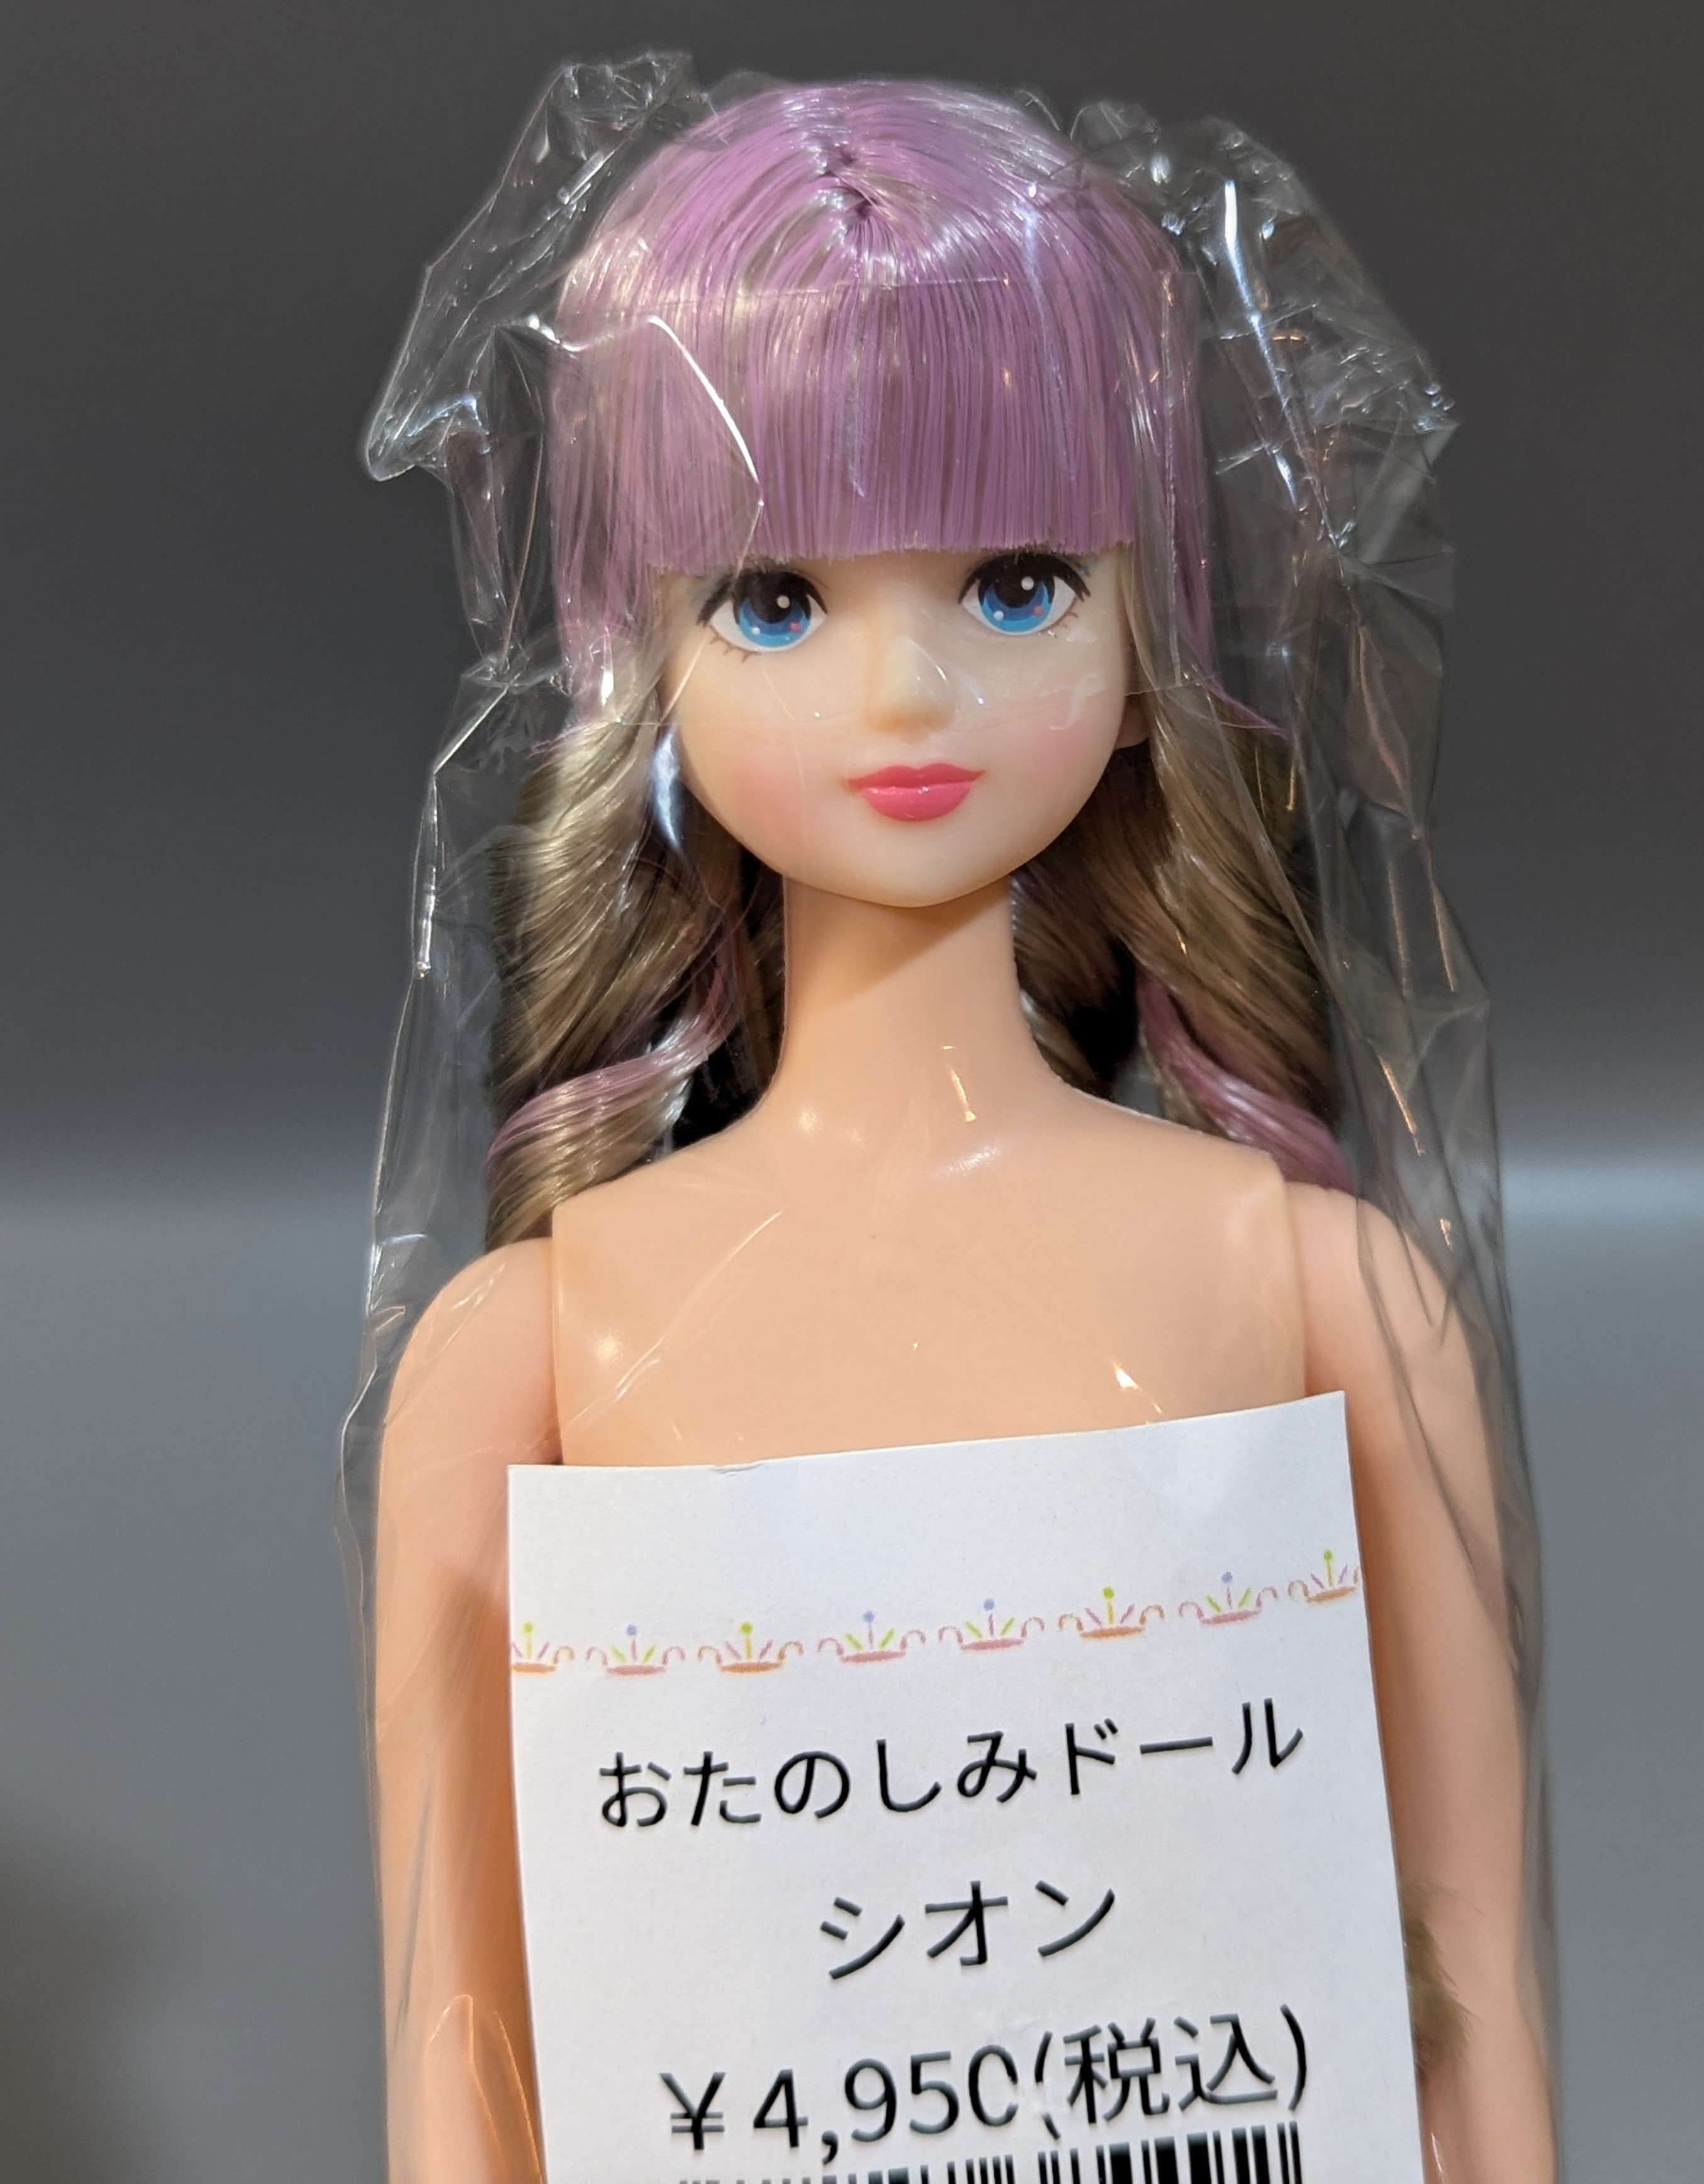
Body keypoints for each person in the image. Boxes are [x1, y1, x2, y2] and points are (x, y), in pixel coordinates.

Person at [356, 69, 1555, 2184]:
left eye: (1013, 582)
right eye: (775, 600)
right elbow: (471, 2046)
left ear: (1143, 618)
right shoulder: (527, 1351)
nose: (904, 696)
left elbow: (1460, 1967)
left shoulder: (1313, 1284)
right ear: (632, 657)